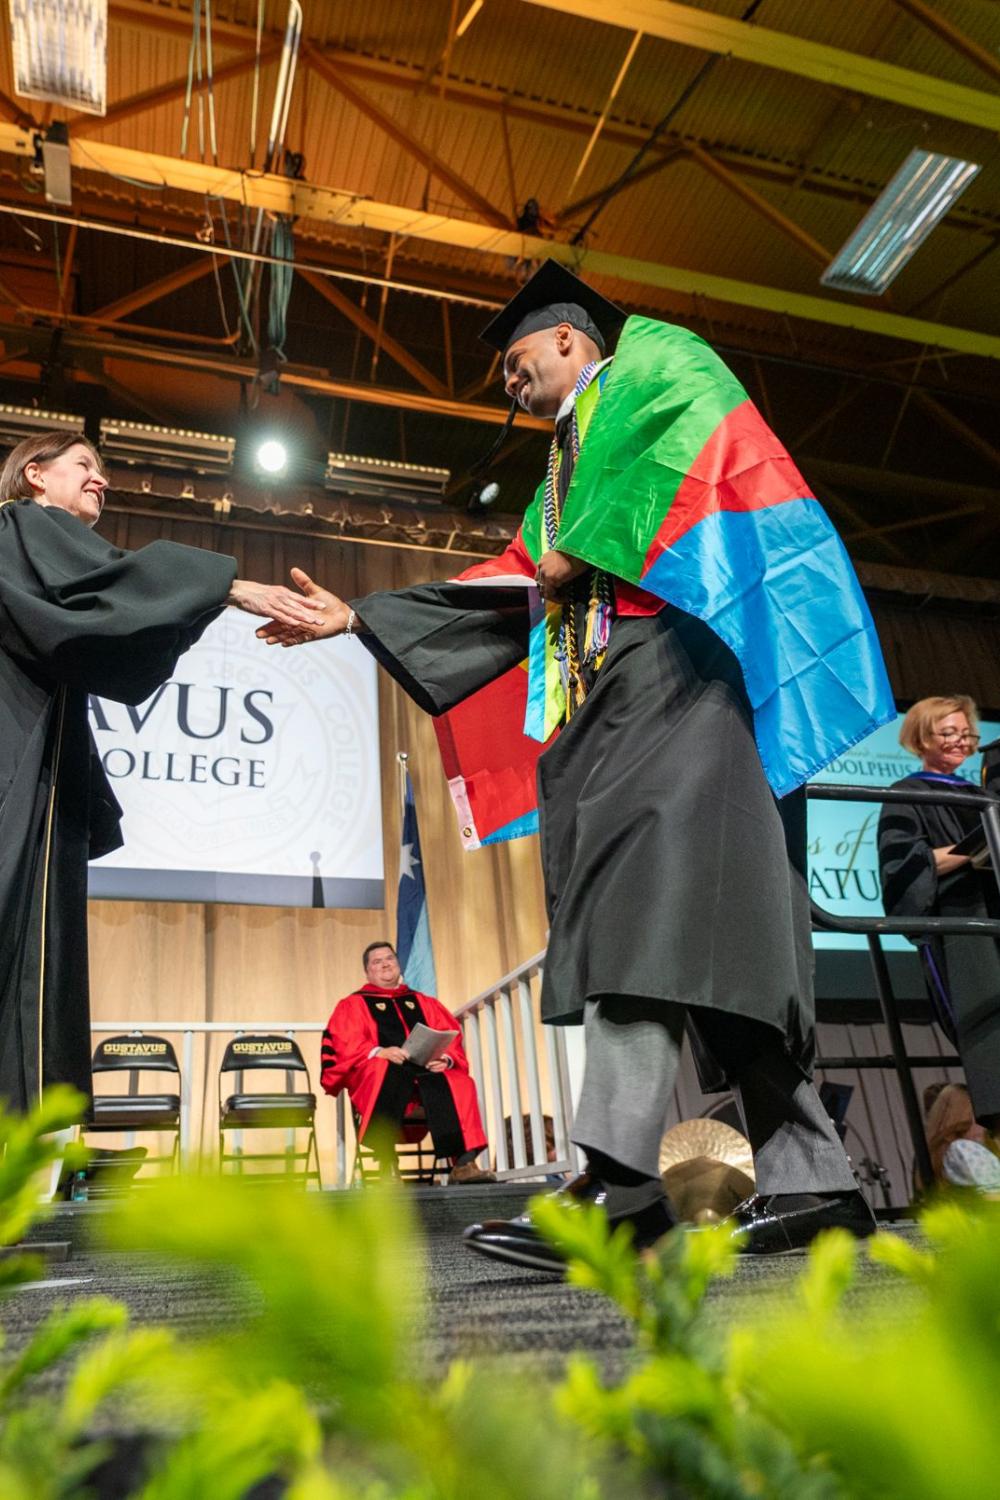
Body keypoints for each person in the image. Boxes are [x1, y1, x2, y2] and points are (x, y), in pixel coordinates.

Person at [261, 261, 895, 1270]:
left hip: (680, 684)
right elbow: (514, 584)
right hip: (614, 704)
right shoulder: (559, 479)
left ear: (570, 340)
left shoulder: (650, 370)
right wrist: (358, 617)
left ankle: (617, 1180)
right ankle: (816, 1182)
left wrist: (591, 543)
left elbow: (681, 432)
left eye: (517, 362)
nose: (509, 384)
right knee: (716, 947)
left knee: (635, 923)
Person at [0, 430, 325, 1117]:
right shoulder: (22, 527)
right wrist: (229, 586)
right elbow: (107, 594)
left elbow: (104, 629)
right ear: (34, 473)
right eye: (85, 465)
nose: (102, 481)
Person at [878, 695, 1000, 1143]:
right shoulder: (907, 794)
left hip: (995, 912)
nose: (959, 740)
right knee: (990, 1038)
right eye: (947, 732)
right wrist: (974, 850)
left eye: (965, 733)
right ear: (922, 737)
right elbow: (905, 866)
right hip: (958, 928)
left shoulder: (985, 795)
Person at [320, 942, 495, 1183]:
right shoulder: (353, 1005)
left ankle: (463, 1164)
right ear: (367, 971)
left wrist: (444, 1059)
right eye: (376, 961)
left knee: (459, 1081)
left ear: (398, 964)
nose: (384, 964)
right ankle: (386, 1165)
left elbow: (449, 1035)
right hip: (384, 1074)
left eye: (389, 958)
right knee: (383, 1070)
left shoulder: (424, 1002)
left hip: (426, 1074)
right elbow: (344, 1042)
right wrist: (379, 1051)